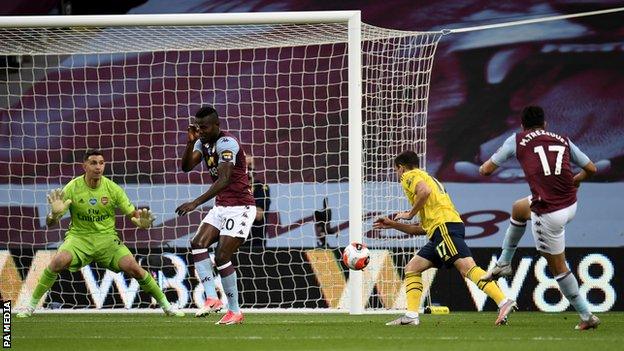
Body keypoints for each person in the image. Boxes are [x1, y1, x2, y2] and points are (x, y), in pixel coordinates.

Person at [17, 149, 183, 317]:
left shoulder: (112, 189)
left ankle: (167, 306)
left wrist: (143, 223)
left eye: (101, 163)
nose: (98, 167)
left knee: (135, 269)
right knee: (57, 261)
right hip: (79, 238)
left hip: (107, 240)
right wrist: (53, 214)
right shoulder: (72, 188)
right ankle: (30, 307)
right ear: (84, 166)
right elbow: (50, 223)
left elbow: (134, 216)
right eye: (93, 163)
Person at [479, 105, 599, 330]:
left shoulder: (516, 140)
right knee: (519, 208)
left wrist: (483, 167)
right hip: (570, 203)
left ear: (522, 126)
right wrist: (577, 179)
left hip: (549, 213)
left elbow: (486, 170)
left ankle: (587, 316)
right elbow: (591, 168)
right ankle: (504, 263)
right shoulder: (562, 139)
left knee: (557, 267)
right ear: (545, 124)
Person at [376, 150, 516, 326]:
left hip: (445, 229)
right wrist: (393, 224)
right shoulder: (429, 178)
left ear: (401, 168)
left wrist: (410, 213)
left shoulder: (409, 176)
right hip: (441, 231)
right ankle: (411, 316)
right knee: (412, 268)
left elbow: (424, 191)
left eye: (397, 171)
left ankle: (503, 301)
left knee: (467, 268)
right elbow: (421, 229)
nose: (398, 175)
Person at [177, 105, 256, 325]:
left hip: (240, 206)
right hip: (221, 206)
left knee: (222, 256)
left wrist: (195, 202)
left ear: (217, 125)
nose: (201, 131)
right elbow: (186, 167)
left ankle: (235, 311)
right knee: (197, 243)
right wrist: (191, 141)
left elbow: (224, 180)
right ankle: (212, 298)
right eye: (198, 127)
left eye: (205, 127)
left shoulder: (226, 143)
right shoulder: (202, 142)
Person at [245, 154, 271, 248]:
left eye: (250, 165)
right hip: (233, 241)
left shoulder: (261, 187)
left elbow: (258, 215)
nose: (248, 169)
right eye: (245, 165)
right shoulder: (231, 187)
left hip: (255, 242)